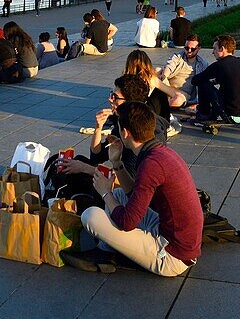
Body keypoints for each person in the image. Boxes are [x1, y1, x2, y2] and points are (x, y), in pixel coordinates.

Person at [65, 100, 202, 276]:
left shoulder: (151, 164)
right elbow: (132, 193)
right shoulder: (159, 152)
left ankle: (109, 248)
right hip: (176, 237)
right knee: (120, 194)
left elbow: (127, 221)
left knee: (90, 216)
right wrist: (116, 162)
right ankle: (108, 248)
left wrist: (105, 192)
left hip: (172, 255)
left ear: (125, 132)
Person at [184, 35, 240, 125]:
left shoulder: (219, 65)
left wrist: (211, 80)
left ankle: (204, 114)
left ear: (222, 48)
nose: (213, 52)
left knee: (204, 83)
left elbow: (195, 80)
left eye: (214, 49)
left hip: (231, 115)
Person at [157, 35, 209, 108]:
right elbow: (170, 65)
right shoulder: (178, 56)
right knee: (157, 70)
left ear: (199, 48)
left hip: (183, 94)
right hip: (167, 87)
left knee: (177, 101)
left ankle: (159, 102)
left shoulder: (203, 64)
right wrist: (164, 75)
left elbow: (206, 83)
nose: (189, 51)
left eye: (193, 49)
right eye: (187, 48)